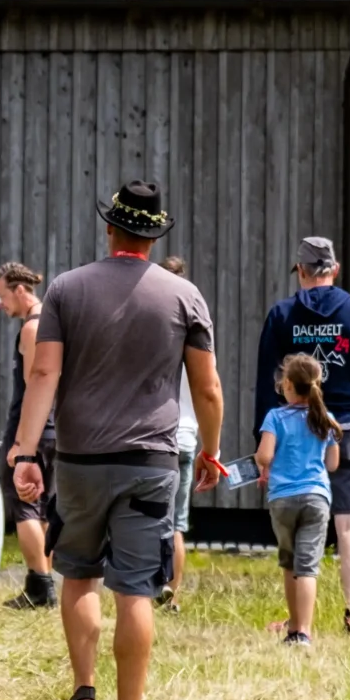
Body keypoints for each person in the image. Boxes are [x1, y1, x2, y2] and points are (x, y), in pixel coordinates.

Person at [10, 180, 223, 700]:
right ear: (154, 235)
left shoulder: (66, 289)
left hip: (80, 459)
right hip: (151, 462)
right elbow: (208, 389)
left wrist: (25, 452)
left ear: (110, 228)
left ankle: (84, 693)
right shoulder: (185, 296)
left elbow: (43, 374)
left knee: (79, 576)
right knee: (136, 588)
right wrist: (211, 451)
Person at [252, 237, 350, 634]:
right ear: (335, 269)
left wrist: (261, 443)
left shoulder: (281, 316)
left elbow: (266, 386)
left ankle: (299, 623)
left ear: (300, 270)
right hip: (346, 432)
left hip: (290, 437)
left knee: (296, 534)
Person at [254, 353, 341, 646]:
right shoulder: (326, 420)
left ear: (288, 384)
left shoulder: (275, 417)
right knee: (308, 567)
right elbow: (332, 464)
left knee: (290, 563)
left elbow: (265, 456)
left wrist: (260, 460)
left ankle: (292, 629)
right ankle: (303, 631)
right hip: (316, 498)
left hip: (282, 500)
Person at [0, 260, 59, 609]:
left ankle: (40, 587)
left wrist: (21, 443)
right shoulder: (53, 320)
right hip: (49, 431)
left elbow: (36, 386)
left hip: (33, 431)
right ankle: (43, 583)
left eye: (0, 296)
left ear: (20, 290)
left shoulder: (33, 327)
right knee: (40, 505)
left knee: (24, 505)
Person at [158, 254, 198, 610]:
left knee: (149, 517)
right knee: (178, 523)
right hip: (187, 435)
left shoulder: (155, 329)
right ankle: (173, 593)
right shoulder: (195, 327)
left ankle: (147, 583)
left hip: (156, 436)